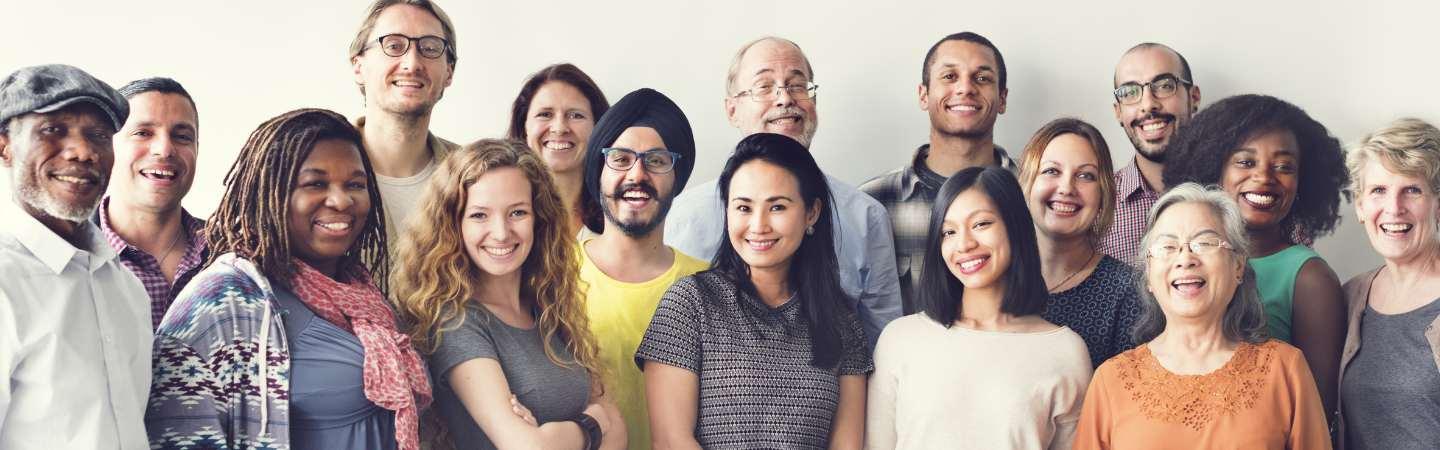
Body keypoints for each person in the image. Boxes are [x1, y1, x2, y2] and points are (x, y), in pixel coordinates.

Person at [146, 109, 431, 450]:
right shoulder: (222, 301)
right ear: (270, 193)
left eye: (355, 184)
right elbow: (178, 436)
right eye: (316, 184)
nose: (341, 200)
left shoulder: (364, 296)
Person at [663, 36, 902, 346]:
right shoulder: (683, 216)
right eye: (764, 87)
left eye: (797, 85)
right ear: (732, 109)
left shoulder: (865, 215)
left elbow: (882, 344)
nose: (784, 98)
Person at [639, 133, 871, 449]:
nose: (758, 225)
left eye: (777, 207)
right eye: (744, 208)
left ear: (811, 213)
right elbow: (670, 441)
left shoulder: (841, 320)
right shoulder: (689, 304)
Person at [392, 139, 624, 450]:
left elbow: (619, 433)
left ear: (539, 218)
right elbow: (529, 447)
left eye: (517, 212)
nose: (501, 232)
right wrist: (592, 424)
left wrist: (558, 435)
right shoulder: (455, 322)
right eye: (479, 215)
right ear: (453, 224)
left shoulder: (549, 306)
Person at [1073, 183, 1331, 449]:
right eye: (1167, 247)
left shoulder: (1285, 369)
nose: (1185, 259)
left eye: (1204, 243)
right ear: (1149, 274)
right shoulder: (1111, 380)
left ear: (1238, 266)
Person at [867, 166, 1092, 449]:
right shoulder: (900, 339)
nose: (964, 244)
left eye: (981, 224)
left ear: (1015, 227)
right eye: (948, 231)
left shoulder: (1065, 350)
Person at [1162, 94, 1347, 421]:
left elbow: (1316, 414)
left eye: (1284, 166)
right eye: (1246, 162)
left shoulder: (1308, 278)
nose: (1264, 177)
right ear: (1214, 168)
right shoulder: (1179, 266)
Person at [0, 64, 150, 449]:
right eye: (53, 130)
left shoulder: (127, 289)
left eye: (98, 136)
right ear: (5, 146)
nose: (83, 151)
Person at [575, 88, 706, 450]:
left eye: (657, 160)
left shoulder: (711, 286)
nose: (637, 174)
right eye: (620, 158)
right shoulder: (550, 277)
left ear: (676, 178)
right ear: (598, 171)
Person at [862, 31, 1017, 311]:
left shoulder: (1036, 193)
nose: (965, 88)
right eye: (949, 77)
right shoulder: (872, 203)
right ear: (924, 95)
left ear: (1002, 98)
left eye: (982, 78)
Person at [1337, 118, 1440, 450]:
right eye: (1379, 190)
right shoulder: (1350, 297)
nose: (1394, 209)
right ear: (1361, 206)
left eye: (1412, 189)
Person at [1016, 118, 1140, 367]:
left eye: (1085, 175)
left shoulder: (1130, 293)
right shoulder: (994, 278)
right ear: (1027, 183)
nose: (1066, 188)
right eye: (1051, 171)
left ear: (1104, 193)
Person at [95, 77, 208, 329]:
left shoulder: (234, 254)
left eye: (182, 136)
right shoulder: (67, 256)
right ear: (106, 146)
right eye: (143, 133)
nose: (164, 149)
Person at [348, 0, 462, 245]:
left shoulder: (474, 175)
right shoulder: (309, 167)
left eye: (430, 48)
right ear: (359, 67)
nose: (412, 64)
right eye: (393, 45)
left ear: (449, 72)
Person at [1100, 43, 1202, 265]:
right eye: (1129, 92)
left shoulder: (1235, 191)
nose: (1148, 104)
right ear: (1118, 112)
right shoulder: (1097, 205)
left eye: (1164, 85)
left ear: (1194, 98)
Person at [506, 63, 610, 234]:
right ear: (524, 125)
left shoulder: (619, 215)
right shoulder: (499, 217)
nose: (560, 128)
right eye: (545, 114)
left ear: (598, 127)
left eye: (575, 115)